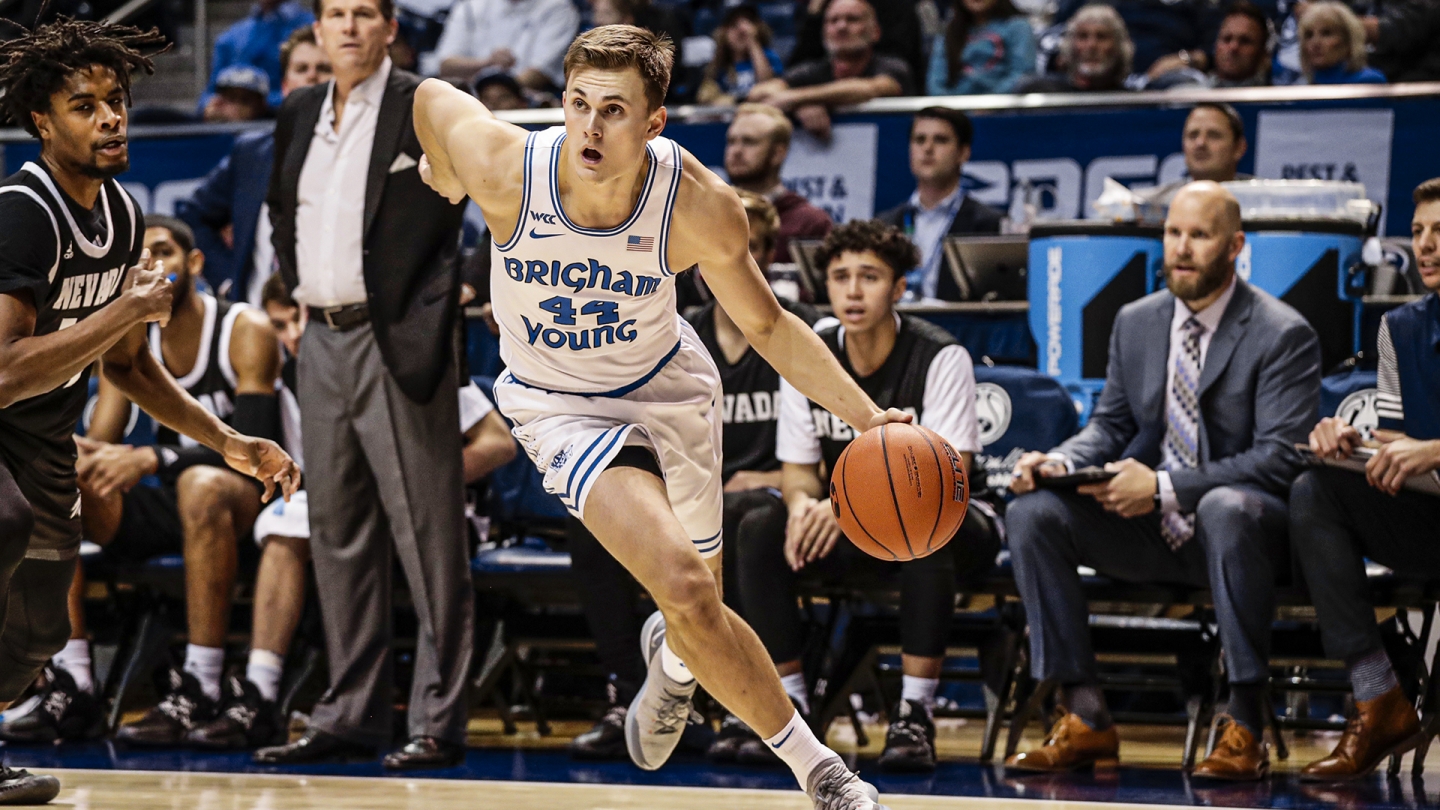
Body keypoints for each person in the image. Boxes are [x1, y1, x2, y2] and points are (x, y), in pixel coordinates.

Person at [414, 23, 913, 809]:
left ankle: (675, 664)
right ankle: (824, 774)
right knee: (683, 585)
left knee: (697, 609)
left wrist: (868, 416)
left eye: (614, 110)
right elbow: (430, 98)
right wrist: (443, 169)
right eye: (578, 103)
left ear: (655, 123)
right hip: (558, 405)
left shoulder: (698, 204)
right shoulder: (508, 168)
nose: (588, 126)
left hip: (668, 390)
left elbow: (771, 327)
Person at [0, 18, 297, 801]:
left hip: (42, 443)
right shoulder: (22, 212)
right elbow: (2, 372)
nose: (110, 118)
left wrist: (227, 439)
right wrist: (124, 310)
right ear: (42, 120)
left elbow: (128, 367)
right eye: (84, 105)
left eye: (117, 101)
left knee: (35, 631)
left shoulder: (126, 218)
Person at [1003, 182, 1321, 781]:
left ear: (1235, 246)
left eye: (1199, 236)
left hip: (1252, 536)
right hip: (1155, 533)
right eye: (1173, 233)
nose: (1181, 248)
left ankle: (1245, 722)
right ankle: (1085, 712)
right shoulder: (1137, 322)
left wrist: (1163, 486)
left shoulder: (1282, 333)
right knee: (1033, 512)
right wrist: (1062, 463)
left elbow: (1281, 458)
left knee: (1227, 507)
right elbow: (1111, 424)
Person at [251, 0, 472, 771]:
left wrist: (448, 296)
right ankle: (352, 712)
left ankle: (440, 717)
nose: (345, 27)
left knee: (428, 533)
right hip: (318, 337)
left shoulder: (425, 104)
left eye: (362, 13)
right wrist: (293, 291)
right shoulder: (301, 107)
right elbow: (283, 208)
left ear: (389, 28)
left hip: (396, 338)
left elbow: (483, 203)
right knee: (336, 531)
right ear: (316, 29)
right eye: (333, 14)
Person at [173, 274, 514, 751]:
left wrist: (414, 485)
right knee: (284, 524)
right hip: (350, 521)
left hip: (446, 515)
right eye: (279, 325)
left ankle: (430, 720)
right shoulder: (291, 376)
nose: (290, 335)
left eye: (298, 320)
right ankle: (260, 691)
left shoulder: (405, 361)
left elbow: (498, 442)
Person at [1, 217, 287, 749]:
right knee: (61, 477)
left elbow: (255, 442)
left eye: (164, 254)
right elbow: (104, 438)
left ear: (195, 264)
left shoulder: (245, 330)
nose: (153, 268)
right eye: (143, 259)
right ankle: (73, 679)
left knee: (202, 486)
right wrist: (74, 450)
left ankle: (201, 683)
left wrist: (151, 457)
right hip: (174, 498)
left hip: (254, 494)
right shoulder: (132, 333)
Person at [735, 220, 998, 773]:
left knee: (925, 532)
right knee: (761, 525)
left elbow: (951, 479)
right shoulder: (811, 352)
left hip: (951, 524)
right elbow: (799, 473)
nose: (853, 291)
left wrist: (841, 508)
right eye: (841, 277)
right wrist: (807, 506)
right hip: (855, 526)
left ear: (900, 288)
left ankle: (914, 715)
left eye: (870, 277)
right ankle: (790, 708)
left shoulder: (939, 355)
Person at [1287, 178, 1440, 781]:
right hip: (1430, 520)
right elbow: (1400, 445)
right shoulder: (1400, 328)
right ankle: (1379, 693)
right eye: (1421, 232)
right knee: (1313, 489)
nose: (1426, 246)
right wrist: (1350, 441)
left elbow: (1426, 451)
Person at [177, 26, 332, 304]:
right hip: (258, 320)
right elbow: (193, 216)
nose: (312, 75)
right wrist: (227, 277)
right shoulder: (252, 152)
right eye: (301, 68)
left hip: (330, 320)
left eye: (323, 67)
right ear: (285, 85)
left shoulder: (358, 149)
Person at [875, 107, 1004, 302]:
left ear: (963, 153)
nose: (927, 148)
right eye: (920, 140)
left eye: (940, 140)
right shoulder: (884, 224)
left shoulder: (989, 224)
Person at [748, 0, 913, 141]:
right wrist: (799, 108)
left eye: (853, 19)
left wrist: (795, 100)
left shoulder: (893, 67)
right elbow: (759, 93)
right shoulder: (812, 70)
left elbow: (869, 89)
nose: (841, 26)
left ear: (876, 32)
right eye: (833, 21)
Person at [723, 103, 833, 264]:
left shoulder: (810, 224)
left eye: (749, 142)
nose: (736, 151)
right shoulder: (711, 213)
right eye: (732, 141)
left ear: (778, 153)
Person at [432, 0, 580, 90]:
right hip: (471, 99)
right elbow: (446, 66)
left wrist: (496, 96)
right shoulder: (470, 6)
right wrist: (487, 62)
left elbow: (538, 75)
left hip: (524, 102)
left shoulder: (559, 9)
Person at [1049, 0, 1222, 76]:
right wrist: (1064, 54)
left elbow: (1220, 39)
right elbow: (1054, 36)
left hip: (1164, 80)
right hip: (1093, 78)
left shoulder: (1193, 5)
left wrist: (1188, 59)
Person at [203, 0, 314, 112]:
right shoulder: (229, 39)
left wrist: (257, 104)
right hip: (232, 124)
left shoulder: (316, 30)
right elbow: (208, 96)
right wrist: (213, 107)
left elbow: (314, 92)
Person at [1141, 103, 1251, 207]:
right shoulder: (1151, 205)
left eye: (1213, 135)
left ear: (1239, 148)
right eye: (1193, 135)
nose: (1200, 143)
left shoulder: (1263, 200)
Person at [1146, 1, 1272, 88]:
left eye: (1245, 41)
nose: (1233, 47)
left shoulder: (1277, 99)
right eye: (1226, 39)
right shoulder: (1188, 92)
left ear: (1263, 53)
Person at [926, 0, 1036, 96]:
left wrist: (989, 103)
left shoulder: (1018, 27)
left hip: (1004, 110)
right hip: (957, 111)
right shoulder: (948, 32)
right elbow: (936, 84)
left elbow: (1021, 75)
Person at [1016, 4, 1134, 92]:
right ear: (1069, 46)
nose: (1091, 45)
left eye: (1101, 37)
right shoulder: (1038, 94)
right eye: (1083, 37)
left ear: (1120, 48)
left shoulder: (1135, 103)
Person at [697, 4, 784, 105]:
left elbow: (768, 86)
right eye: (734, 25)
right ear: (724, 32)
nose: (741, 31)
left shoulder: (768, 56)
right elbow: (707, 98)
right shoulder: (720, 64)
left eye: (749, 23)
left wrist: (753, 42)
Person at [1299, 1, 1386, 84]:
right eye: (1309, 35)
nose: (1315, 43)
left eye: (1327, 33)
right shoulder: (1298, 88)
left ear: (1348, 40)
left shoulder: (1368, 81)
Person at [203, 64, 273, 122]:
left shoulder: (269, 133)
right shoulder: (208, 131)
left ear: (260, 106)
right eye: (231, 98)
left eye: (245, 100)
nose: (236, 106)